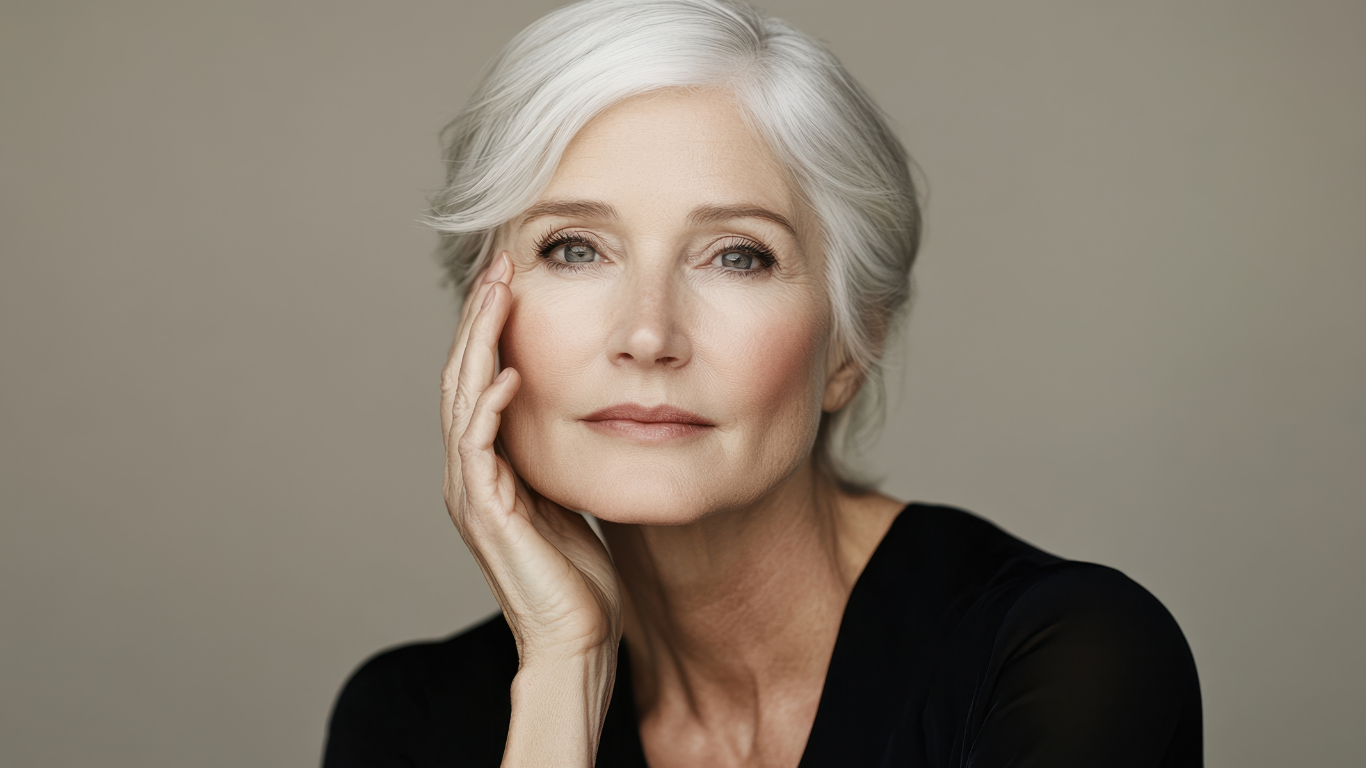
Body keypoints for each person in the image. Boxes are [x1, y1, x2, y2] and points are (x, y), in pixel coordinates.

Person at [322, 0, 1202, 765]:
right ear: (484, 320)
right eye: (574, 249)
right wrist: (562, 670)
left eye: (738, 256)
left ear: (851, 347)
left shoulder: (1066, 660)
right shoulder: (411, 721)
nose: (647, 334)